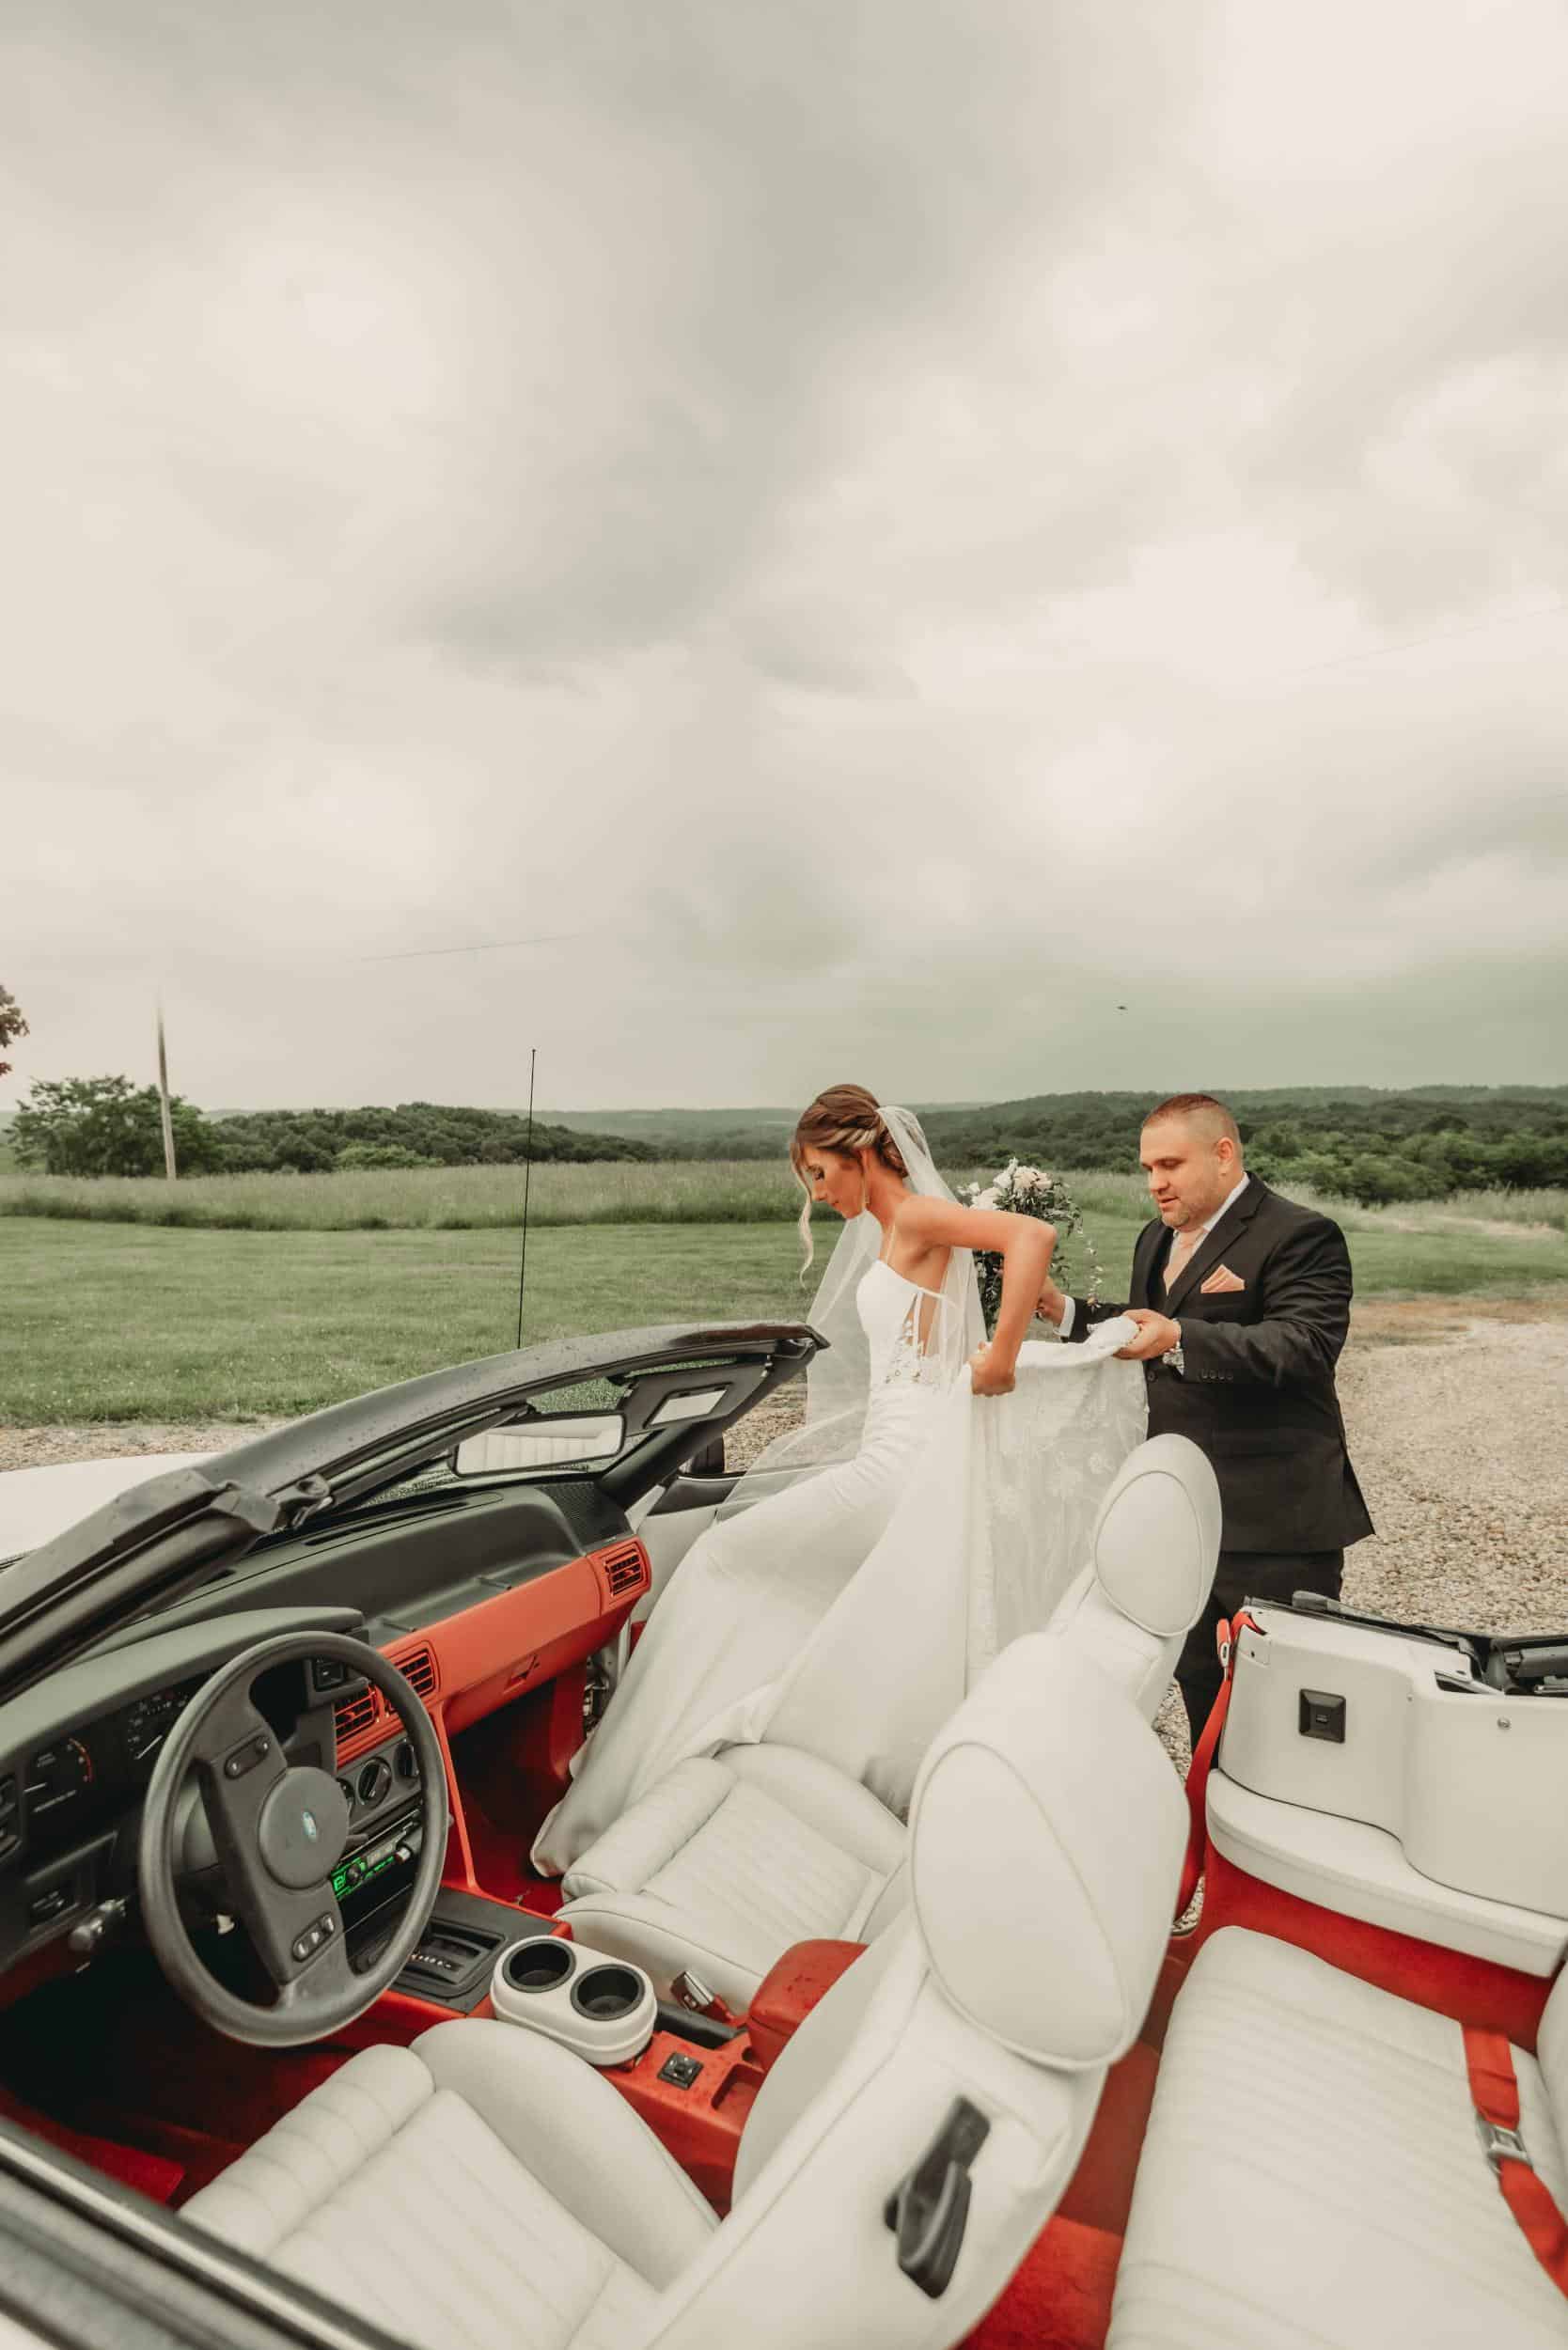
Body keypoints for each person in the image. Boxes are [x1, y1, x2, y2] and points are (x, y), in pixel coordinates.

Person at [530, 1083, 1057, 1874]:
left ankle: (640, 1780)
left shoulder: (916, 1215)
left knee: (718, 1559)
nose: (817, 1194)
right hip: (894, 1458)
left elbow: (1030, 1234)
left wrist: (1003, 1355)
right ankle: (696, 1760)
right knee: (769, 1587)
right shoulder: (893, 1228)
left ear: (858, 1153)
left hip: (897, 1469)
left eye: (818, 1173)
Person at [1038, 1091, 1372, 1740]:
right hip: (1181, 1518)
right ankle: (1205, 1804)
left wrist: (1181, 1338)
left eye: (1170, 1164)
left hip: (1274, 1521)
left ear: (1223, 1154)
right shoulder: (1154, 1238)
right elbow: (1149, 1323)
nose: (1154, 1183)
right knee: (1201, 1692)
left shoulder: (1300, 1233)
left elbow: (1305, 1345)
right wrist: (1066, 1312)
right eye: (1147, 1168)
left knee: (1282, 1714)